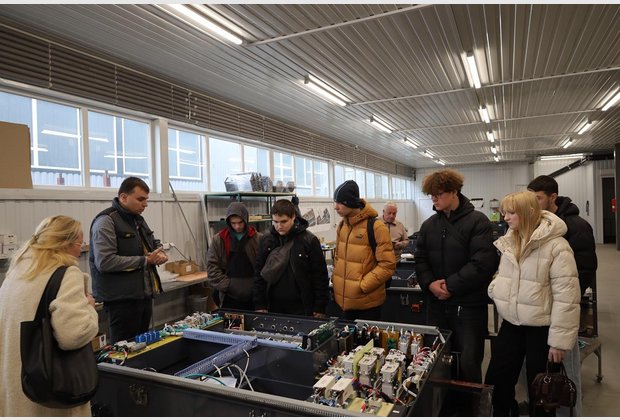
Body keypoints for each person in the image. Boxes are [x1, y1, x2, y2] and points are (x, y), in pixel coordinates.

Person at [485, 190, 581, 416]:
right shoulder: (511, 240)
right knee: (497, 380)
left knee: (541, 390)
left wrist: (558, 342)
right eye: (504, 213)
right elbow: (503, 275)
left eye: (511, 213)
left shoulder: (557, 246)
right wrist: (495, 289)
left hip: (541, 329)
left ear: (528, 212)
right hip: (511, 325)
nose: (505, 218)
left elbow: (567, 297)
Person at [414, 169, 499, 415]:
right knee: (437, 361)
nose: (434, 199)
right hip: (436, 305)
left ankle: (471, 410)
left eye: (438, 194)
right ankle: (444, 409)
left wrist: (450, 286)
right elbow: (420, 259)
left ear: (454, 192)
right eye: (431, 195)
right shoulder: (429, 225)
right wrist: (430, 284)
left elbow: (483, 263)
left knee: (469, 363)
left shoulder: (478, 222)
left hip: (469, 307)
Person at [0, 215, 98, 416]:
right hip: (51, 391)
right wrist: (89, 307)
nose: (80, 250)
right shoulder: (66, 273)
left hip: (16, 383)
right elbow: (74, 335)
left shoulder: (17, 271)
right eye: (79, 244)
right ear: (65, 243)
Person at [525, 175, 597, 416]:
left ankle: (571, 413)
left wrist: (563, 304)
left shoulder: (577, 226)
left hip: (562, 311)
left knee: (566, 373)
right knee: (540, 371)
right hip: (537, 313)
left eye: (537, 199)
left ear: (553, 197)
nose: (533, 205)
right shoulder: (535, 224)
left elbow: (584, 271)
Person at [90, 176, 168, 344]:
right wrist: (145, 260)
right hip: (122, 301)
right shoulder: (106, 222)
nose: (145, 204)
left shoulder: (137, 219)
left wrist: (159, 252)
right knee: (124, 348)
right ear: (123, 197)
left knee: (142, 345)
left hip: (143, 296)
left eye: (146, 200)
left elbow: (152, 242)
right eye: (140, 199)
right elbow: (105, 262)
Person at [332, 180, 396, 321]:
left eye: (340, 202)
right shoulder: (342, 226)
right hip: (344, 303)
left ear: (350, 203)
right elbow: (338, 258)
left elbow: (387, 265)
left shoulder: (376, 227)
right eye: (335, 202)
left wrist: (363, 285)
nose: (335, 207)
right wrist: (336, 280)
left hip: (367, 304)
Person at [253, 199, 329, 316]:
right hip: (273, 306)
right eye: (275, 222)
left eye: (283, 221)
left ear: (293, 217)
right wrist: (260, 304)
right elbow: (259, 274)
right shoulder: (266, 240)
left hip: (302, 306)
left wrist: (319, 307)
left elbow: (320, 276)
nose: (279, 226)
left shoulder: (309, 240)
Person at [207, 202, 262, 310]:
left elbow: (265, 267)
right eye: (233, 223)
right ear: (228, 222)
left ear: (246, 220)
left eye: (240, 222)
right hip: (228, 296)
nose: (237, 226)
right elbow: (212, 268)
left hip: (254, 296)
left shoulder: (258, 239)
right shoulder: (219, 240)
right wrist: (228, 285)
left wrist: (257, 287)